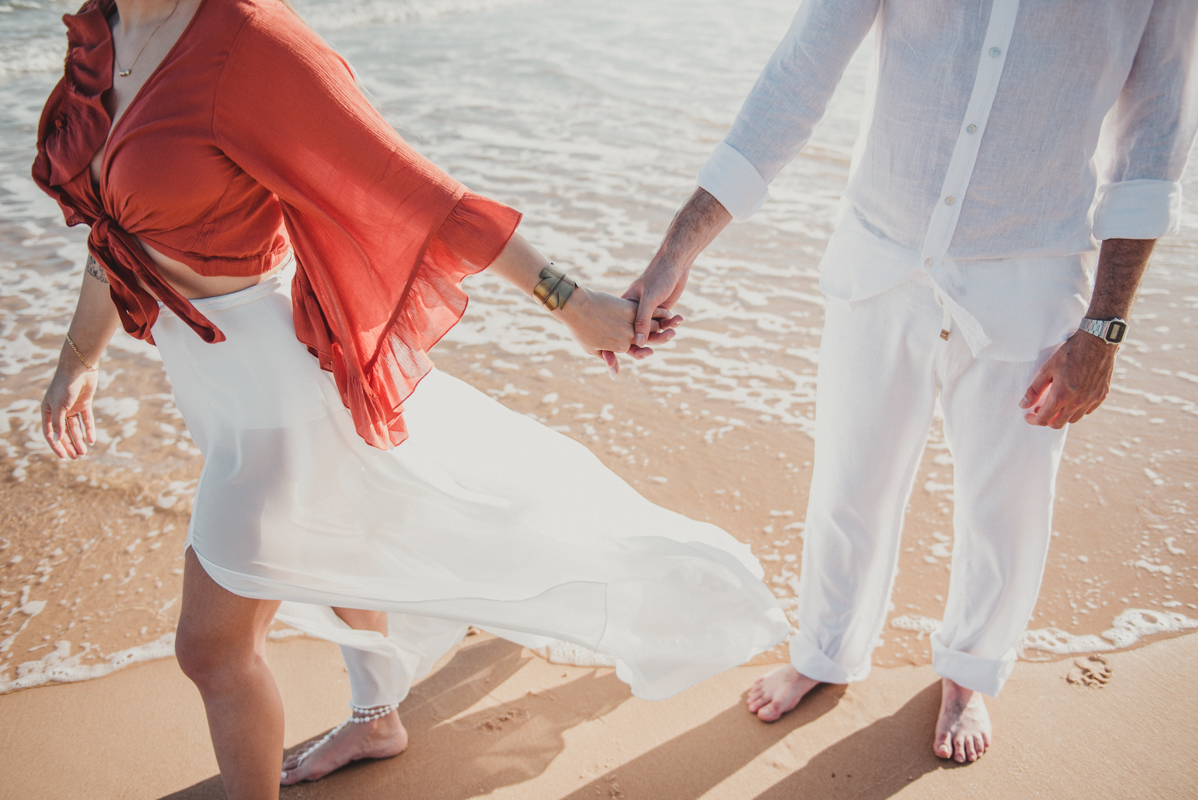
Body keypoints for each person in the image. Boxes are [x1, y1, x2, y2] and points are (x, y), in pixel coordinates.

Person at [34, 0, 791, 796]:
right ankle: (377, 718)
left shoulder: (248, 43)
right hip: (210, 383)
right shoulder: (105, 32)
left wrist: (571, 303)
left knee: (212, 649)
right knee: (346, 531)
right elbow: (113, 228)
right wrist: (78, 356)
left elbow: (418, 194)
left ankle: (672, 594)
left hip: (276, 389)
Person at [623, 0, 1198, 765]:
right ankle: (825, 652)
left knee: (1008, 504)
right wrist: (679, 247)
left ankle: (969, 672)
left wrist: (1103, 329)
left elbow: (1151, 144)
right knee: (849, 483)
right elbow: (798, 79)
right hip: (879, 256)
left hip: (1030, 278)